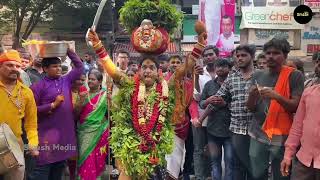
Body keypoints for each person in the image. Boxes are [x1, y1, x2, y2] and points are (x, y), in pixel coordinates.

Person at [87, 25, 206, 179]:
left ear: (158, 72)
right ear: (139, 70)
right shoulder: (130, 85)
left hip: (156, 145)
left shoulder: (166, 86)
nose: (148, 70)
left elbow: (183, 70)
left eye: (151, 68)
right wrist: (98, 45)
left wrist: (200, 45)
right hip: (132, 144)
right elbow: (113, 71)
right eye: (144, 67)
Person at [246, 38, 304, 180]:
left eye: (276, 53)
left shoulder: (294, 75)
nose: (270, 56)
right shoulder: (258, 75)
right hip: (258, 133)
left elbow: (296, 106)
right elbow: (250, 108)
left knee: (281, 175)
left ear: (285, 55)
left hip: (281, 135)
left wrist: (277, 97)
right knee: (257, 174)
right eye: (268, 53)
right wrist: (252, 96)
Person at [29, 48, 84, 180]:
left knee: (58, 173)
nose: (59, 69)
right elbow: (31, 110)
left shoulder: (66, 80)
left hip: (64, 137)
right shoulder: (38, 87)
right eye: (54, 66)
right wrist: (52, 106)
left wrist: (68, 51)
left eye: (60, 66)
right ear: (45, 68)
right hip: (46, 137)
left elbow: (80, 67)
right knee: (41, 172)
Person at [209, 44, 256, 180]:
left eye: (244, 55)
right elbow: (218, 97)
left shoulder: (260, 75)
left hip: (256, 131)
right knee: (237, 167)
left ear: (252, 57)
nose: (240, 58)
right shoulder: (232, 78)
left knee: (254, 167)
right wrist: (206, 105)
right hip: (236, 130)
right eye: (238, 55)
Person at [280, 51, 320, 180]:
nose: (318, 65)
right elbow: (297, 127)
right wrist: (288, 155)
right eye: (318, 62)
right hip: (304, 162)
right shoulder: (309, 92)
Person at [0, 50, 39, 180]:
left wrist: (33, 143)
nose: (14, 69)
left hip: (15, 148)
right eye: (9, 65)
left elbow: (31, 123)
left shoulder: (26, 93)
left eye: (17, 66)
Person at [164, 55, 199, 180]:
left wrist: (194, 117)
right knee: (169, 156)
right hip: (164, 124)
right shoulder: (162, 81)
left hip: (182, 124)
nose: (175, 64)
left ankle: (181, 174)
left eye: (178, 62)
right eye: (172, 62)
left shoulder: (188, 83)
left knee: (179, 154)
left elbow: (192, 103)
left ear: (182, 65)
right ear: (168, 65)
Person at [199, 58, 233, 180]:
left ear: (229, 68)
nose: (220, 69)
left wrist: (225, 104)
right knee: (215, 161)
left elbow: (240, 105)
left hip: (230, 130)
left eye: (223, 66)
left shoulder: (233, 84)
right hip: (212, 130)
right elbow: (201, 104)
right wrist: (208, 100)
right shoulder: (209, 85)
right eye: (218, 66)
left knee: (230, 162)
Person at [76, 69, 109, 180]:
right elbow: (76, 113)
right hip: (84, 131)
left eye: (93, 79)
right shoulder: (83, 94)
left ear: (100, 81)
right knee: (85, 158)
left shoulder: (105, 95)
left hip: (99, 132)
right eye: (89, 79)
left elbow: (111, 113)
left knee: (96, 158)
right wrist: (81, 101)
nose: (90, 81)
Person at [193, 45, 219, 180]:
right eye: (206, 55)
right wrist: (196, 78)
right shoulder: (199, 73)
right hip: (199, 116)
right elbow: (196, 96)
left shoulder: (224, 72)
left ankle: (210, 175)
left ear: (217, 55)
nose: (208, 57)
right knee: (198, 149)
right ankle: (199, 176)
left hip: (217, 119)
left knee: (212, 149)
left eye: (211, 54)